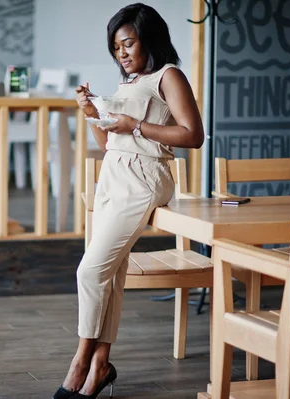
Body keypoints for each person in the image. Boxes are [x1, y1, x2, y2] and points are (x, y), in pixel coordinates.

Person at [52, 3, 204, 399]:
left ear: (148, 39)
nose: (121, 52)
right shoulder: (128, 83)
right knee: (110, 276)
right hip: (115, 175)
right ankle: (100, 366)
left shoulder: (169, 76)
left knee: (90, 272)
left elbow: (193, 135)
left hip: (144, 177)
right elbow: (111, 145)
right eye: (116, 46)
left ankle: (80, 363)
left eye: (128, 43)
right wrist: (91, 113)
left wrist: (135, 124)